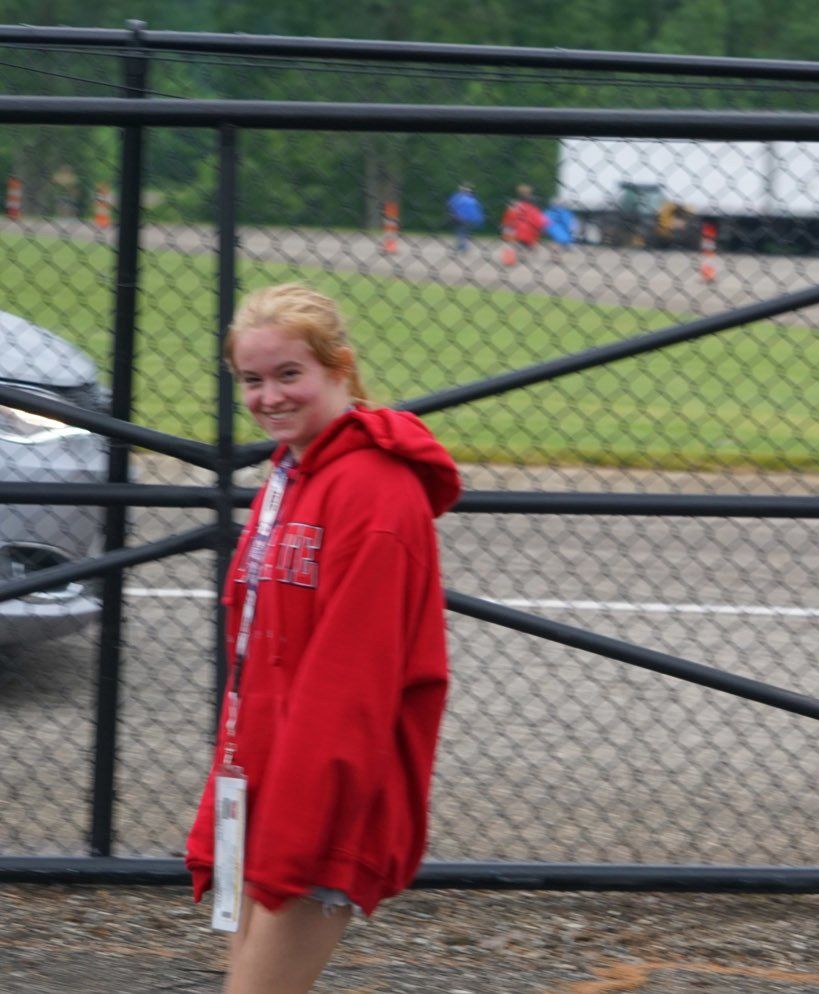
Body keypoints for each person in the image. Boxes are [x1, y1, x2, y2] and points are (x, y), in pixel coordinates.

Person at [185, 283, 460, 994]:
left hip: (325, 806)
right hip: (270, 790)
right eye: (252, 379)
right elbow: (260, 656)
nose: (270, 397)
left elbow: (353, 683)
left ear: (339, 368)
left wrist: (298, 826)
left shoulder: (376, 494)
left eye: (289, 375)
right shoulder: (291, 473)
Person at [501, 183, 548, 250]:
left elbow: (506, 222)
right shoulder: (533, 209)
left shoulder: (513, 207)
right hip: (529, 237)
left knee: (509, 232)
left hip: (514, 236)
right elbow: (542, 222)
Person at [446, 183, 483, 254]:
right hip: (470, 218)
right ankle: (462, 246)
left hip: (462, 218)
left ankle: (462, 247)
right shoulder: (472, 198)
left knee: (461, 231)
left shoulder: (458, 197)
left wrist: (453, 214)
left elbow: (451, 205)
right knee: (463, 232)